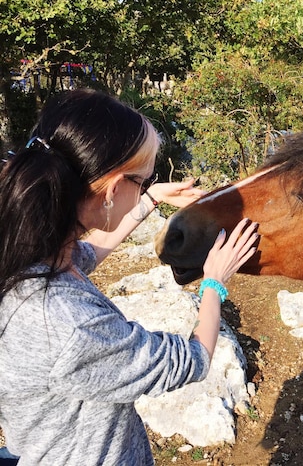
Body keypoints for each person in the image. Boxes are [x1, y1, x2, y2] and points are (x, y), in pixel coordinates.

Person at [0, 88, 258, 465]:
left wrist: (148, 199)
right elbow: (193, 360)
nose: (146, 190)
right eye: (144, 181)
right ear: (113, 190)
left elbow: (90, 253)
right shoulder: (73, 325)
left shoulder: (25, 256)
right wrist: (214, 283)